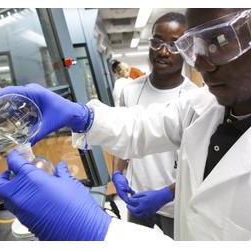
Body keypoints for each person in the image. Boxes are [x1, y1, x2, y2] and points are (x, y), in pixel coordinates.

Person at [0, 8, 251, 241]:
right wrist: (82, 115)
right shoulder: (207, 103)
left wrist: (96, 233)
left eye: (220, 41)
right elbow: (142, 126)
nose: (203, 63)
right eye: (193, 46)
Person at [111, 12, 197, 239]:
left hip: (176, 206)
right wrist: (117, 172)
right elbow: (123, 140)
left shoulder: (195, 99)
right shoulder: (129, 91)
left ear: (187, 49)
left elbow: (200, 166)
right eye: (157, 42)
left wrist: (165, 195)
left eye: (174, 44)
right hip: (137, 200)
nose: (163, 50)